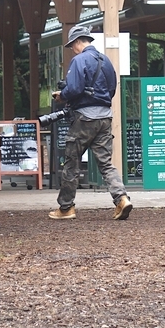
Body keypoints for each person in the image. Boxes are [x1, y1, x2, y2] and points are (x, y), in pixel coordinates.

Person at [41, 24, 132, 221]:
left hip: (84, 118)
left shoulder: (79, 60)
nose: (72, 49)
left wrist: (61, 95)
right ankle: (122, 199)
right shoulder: (106, 60)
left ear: (76, 42)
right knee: (105, 163)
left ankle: (66, 208)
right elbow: (112, 89)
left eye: (71, 45)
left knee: (71, 162)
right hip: (105, 117)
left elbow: (74, 88)